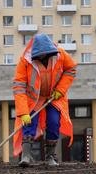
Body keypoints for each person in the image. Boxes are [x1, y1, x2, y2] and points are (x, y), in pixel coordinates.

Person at [11, 34, 77, 167]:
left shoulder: (60, 55)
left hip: (54, 96)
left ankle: (50, 156)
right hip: (33, 98)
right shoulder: (25, 60)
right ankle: (26, 156)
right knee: (29, 123)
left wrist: (60, 90)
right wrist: (23, 112)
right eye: (39, 55)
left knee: (53, 122)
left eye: (44, 54)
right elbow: (19, 87)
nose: (42, 57)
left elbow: (71, 69)